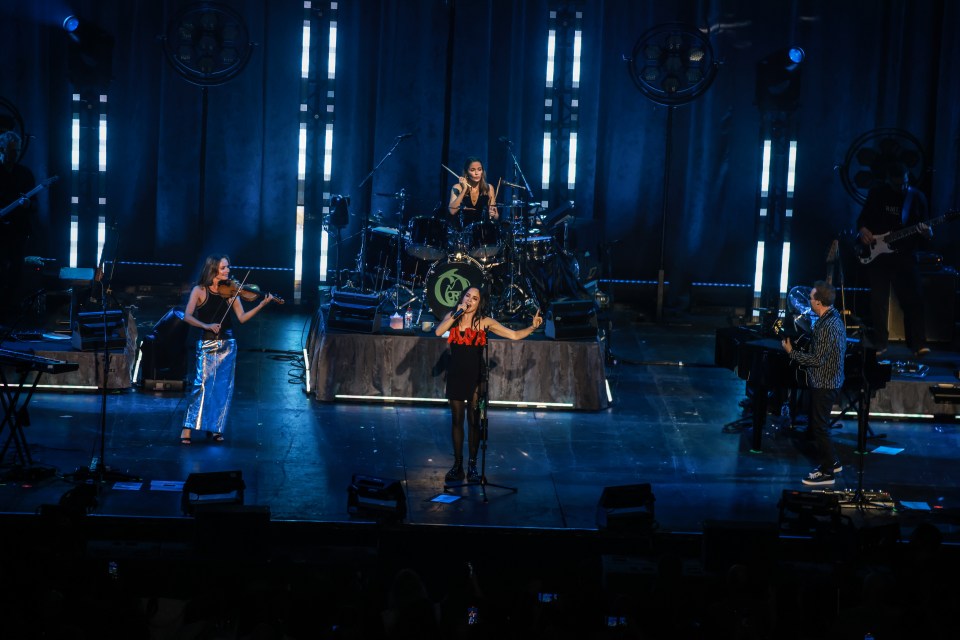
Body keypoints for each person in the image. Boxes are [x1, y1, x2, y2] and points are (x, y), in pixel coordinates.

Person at [435, 286, 543, 482]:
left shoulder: (484, 322)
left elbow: (514, 335)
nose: (470, 300)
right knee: (457, 421)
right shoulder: (453, 316)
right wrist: (456, 314)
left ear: (479, 303)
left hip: (476, 377)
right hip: (456, 375)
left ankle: (473, 466)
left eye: (474, 298)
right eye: (467, 295)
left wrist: (532, 327)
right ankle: (457, 466)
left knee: (474, 422)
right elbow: (438, 331)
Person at [180, 255, 276, 444]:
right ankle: (187, 428)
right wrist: (206, 326)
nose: (227, 271)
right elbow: (187, 316)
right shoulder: (199, 290)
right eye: (224, 268)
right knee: (201, 387)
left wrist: (261, 304)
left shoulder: (231, 291)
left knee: (223, 389)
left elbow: (242, 317)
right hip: (207, 344)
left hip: (228, 345)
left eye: (227, 267)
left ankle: (216, 428)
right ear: (213, 270)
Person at [856, 164, 931, 356]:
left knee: (914, 300)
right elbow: (862, 220)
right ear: (889, 179)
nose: (901, 188)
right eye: (897, 185)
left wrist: (928, 232)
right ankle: (880, 343)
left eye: (905, 184)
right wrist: (863, 230)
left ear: (908, 178)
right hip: (878, 254)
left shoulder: (916, 197)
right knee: (878, 301)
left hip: (905, 255)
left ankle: (918, 344)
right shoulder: (878, 193)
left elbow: (927, 230)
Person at [781, 280, 846, 486]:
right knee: (819, 425)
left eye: (811, 297)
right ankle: (833, 462)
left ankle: (827, 472)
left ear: (818, 302)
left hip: (825, 383)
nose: (808, 300)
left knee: (819, 427)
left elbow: (818, 359)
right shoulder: (828, 318)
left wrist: (792, 353)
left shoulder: (828, 326)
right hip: (826, 380)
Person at [0, 130, 36, 307]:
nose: (16, 155)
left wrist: (28, 204)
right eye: (12, 151)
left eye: (18, 150)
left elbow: (35, 206)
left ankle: (12, 311)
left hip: (18, 232)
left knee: (16, 273)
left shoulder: (25, 174)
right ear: (2, 149)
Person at [447, 157, 499, 231]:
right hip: (460, 232)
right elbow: (452, 211)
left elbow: (496, 216)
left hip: (480, 232)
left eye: (479, 169)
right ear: (467, 172)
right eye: (472, 170)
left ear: (482, 171)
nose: (476, 173)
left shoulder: (489, 188)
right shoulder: (457, 187)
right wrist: (464, 189)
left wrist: (493, 214)